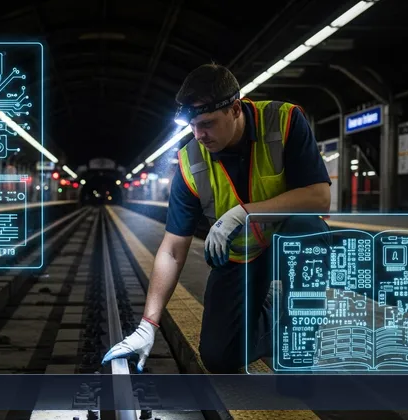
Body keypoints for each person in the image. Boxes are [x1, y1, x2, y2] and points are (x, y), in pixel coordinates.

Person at [101, 63, 332, 374]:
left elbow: (319, 196)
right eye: (193, 126)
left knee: (310, 230)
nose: (199, 135)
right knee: (218, 357)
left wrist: (244, 212)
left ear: (235, 108)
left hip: (286, 244)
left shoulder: (284, 120)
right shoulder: (189, 161)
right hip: (241, 255)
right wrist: (148, 324)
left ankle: (299, 340)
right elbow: (172, 249)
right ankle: (274, 312)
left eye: (207, 124)